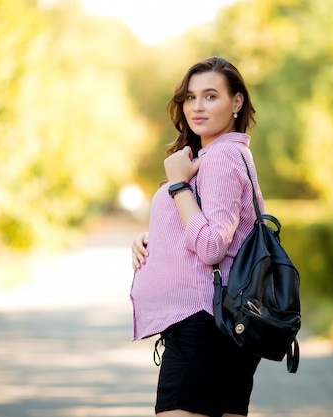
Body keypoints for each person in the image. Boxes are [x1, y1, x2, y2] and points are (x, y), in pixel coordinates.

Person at [130, 56, 264, 417]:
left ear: (236, 102)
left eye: (210, 96)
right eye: (190, 97)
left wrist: (177, 185)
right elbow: (216, 229)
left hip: (203, 324)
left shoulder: (220, 158)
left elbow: (211, 246)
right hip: (221, 323)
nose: (197, 106)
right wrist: (154, 238)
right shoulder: (222, 155)